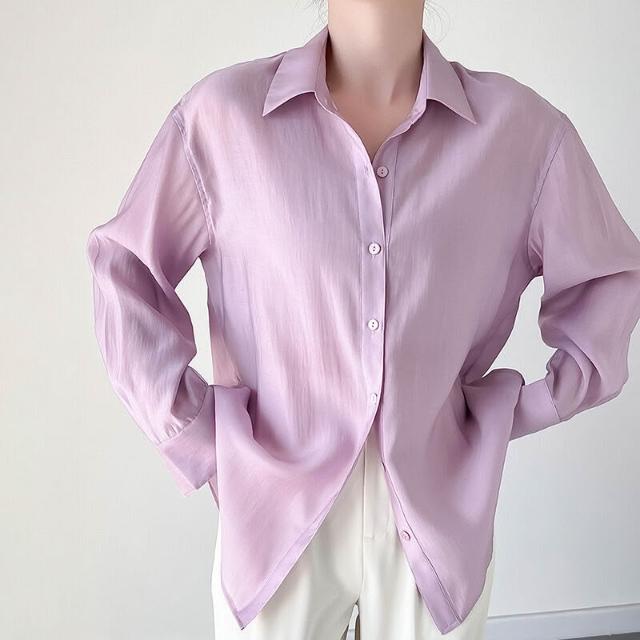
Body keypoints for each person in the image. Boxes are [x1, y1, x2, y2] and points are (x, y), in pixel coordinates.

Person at [85, 2, 640, 639]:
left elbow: (608, 280)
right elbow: (125, 269)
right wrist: (203, 437)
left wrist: (512, 410)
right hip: (276, 520)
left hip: (437, 518)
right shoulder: (223, 118)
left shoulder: (522, 135)